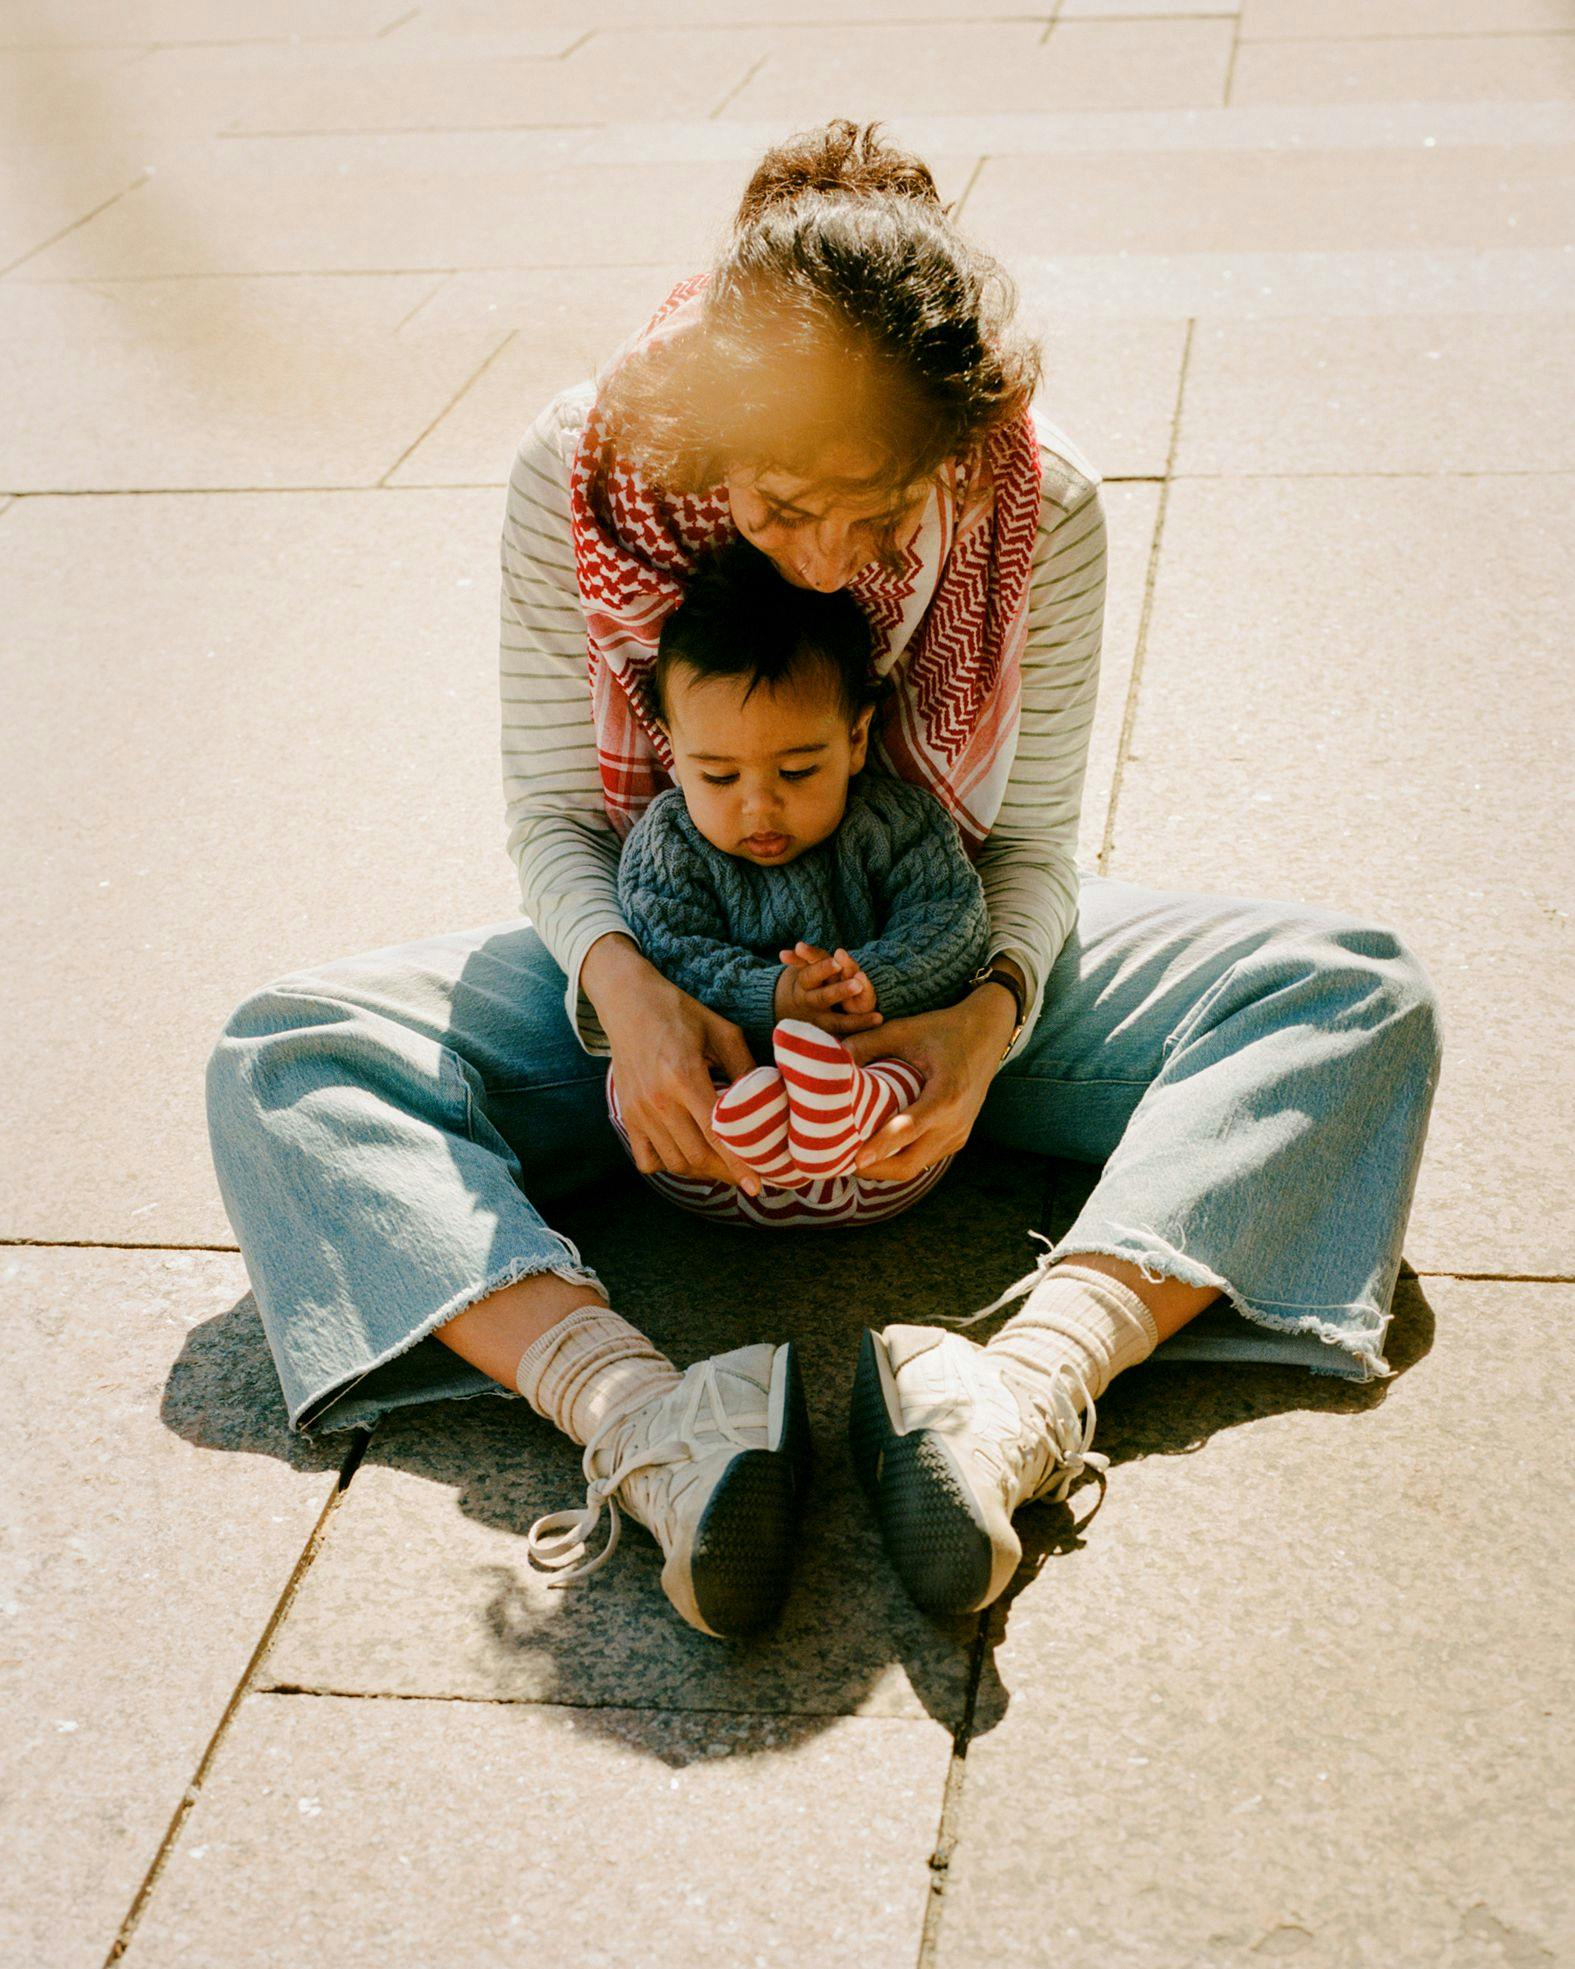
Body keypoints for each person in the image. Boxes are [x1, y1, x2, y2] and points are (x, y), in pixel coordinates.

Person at [205, 119, 1442, 1647]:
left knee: (1350, 992)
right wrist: (631, 997)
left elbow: (1037, 847)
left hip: (952, 958)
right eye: (787, 502)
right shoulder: (578, 472)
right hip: (666, 957)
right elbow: (548, 814)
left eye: (881, 505)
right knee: (287, 1052)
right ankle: (654, 1422)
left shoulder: (1039, 502)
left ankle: (1013, 1396)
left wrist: (984, 1018)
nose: (829, 555)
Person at [604, 531, 993, 1227]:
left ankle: (842, 1109)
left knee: (904, 1071)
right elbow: (666, 948)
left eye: (796, 771)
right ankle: (756, 1117)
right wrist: (772, 995)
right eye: (718, 775)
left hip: (878, 1147)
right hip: (721, 1159)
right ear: (671, 746)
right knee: (643, 1068)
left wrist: (866, 982)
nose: (757, 805)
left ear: (855, 737)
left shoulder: (893, 822)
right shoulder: (671, 840)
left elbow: (954, 920)